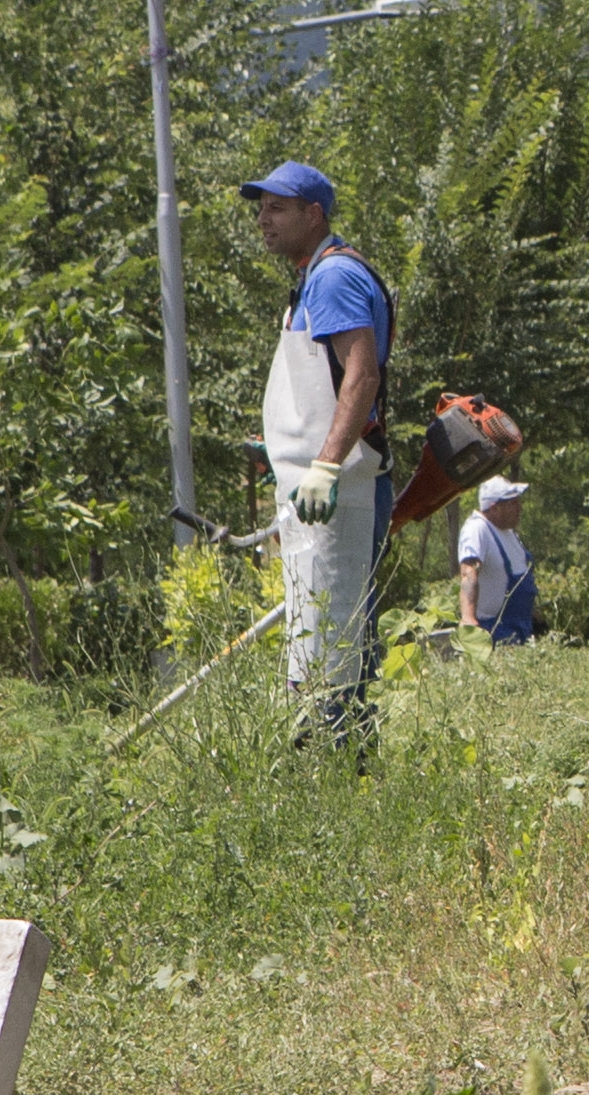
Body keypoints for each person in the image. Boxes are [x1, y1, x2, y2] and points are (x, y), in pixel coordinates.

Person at [241, 160, 393, 737]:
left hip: (339, 495)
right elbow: (323, 389)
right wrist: (282, 445)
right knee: (322, 637)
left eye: (277, 207)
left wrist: (325, 464)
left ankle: (337, 768)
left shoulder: (333, 277)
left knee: (335, 646)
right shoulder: (312, 276)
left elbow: (361, 377)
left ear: (314, 214)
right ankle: (331, 768)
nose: (263, 220)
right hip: (317, 494)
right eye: (260, 208)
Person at [457, 477, 537, 644]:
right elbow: (468, 572)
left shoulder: (509, 533)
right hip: (494, 631)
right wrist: (468, 619)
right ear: (495, 508)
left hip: (521, 630)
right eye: (512, 504)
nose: (519, 508)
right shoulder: (477, 529)